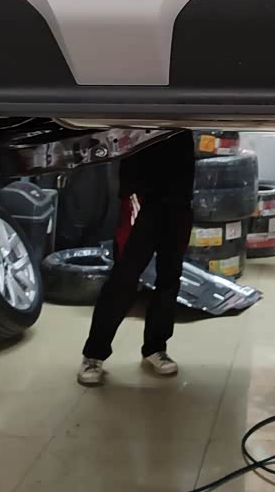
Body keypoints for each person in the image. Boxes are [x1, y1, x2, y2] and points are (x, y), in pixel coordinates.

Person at [77, 130, 195, 385]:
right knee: (124, 277)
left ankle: (155, 347)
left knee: (170, 276)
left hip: (179, 194)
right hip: (142, 193)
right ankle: (94, 354)